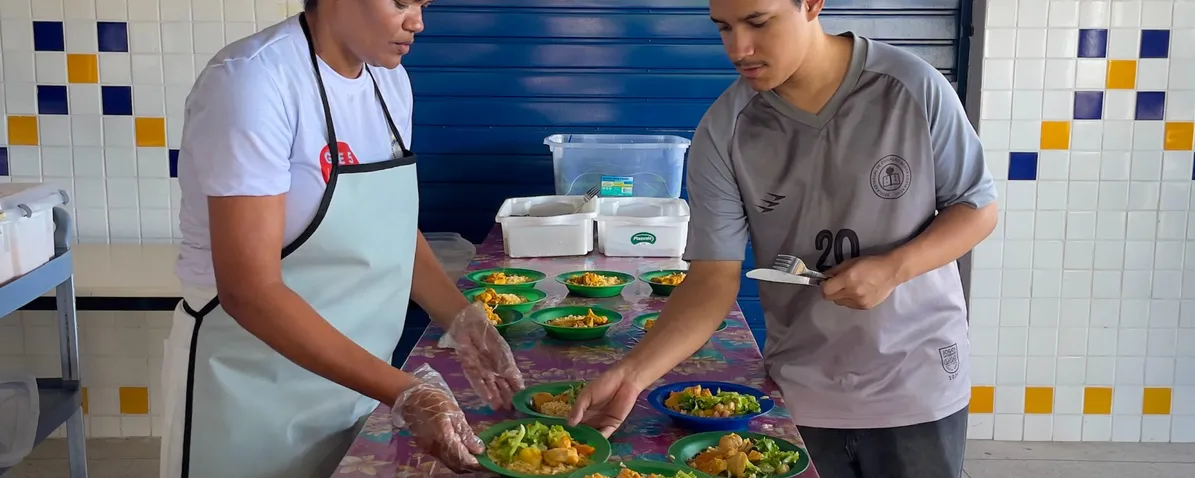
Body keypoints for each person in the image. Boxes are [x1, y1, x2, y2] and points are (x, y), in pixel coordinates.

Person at [568, 0, 997, 477]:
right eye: (724, 28)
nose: (739, 49)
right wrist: (632, 374)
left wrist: (894, 269)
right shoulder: (724, 130)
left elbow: (977, 209)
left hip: (918, 387)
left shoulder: (911, 87)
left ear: (812, 4)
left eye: (758, 22)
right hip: (801, 395)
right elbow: (713, 278)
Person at [161, 1, 525, 477]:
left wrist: (462, 319)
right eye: (401, 2)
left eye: (423, 4)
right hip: (254, 393)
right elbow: (249, 290)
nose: (418, 22)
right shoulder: (252, 82)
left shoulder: (388, 80)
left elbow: (386, 226)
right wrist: (403, 391)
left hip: (357, 382)